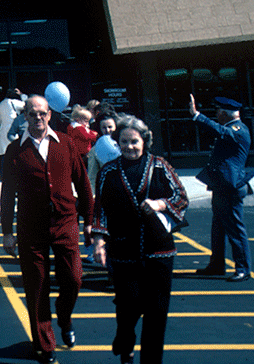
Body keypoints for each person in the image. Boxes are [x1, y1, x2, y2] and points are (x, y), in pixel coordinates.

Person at [0, 95, 94, 363]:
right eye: (32, 114)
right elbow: (7, 194)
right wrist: (7, 231)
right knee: (37, 285)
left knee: (74, 278)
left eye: (42, 113)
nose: (37, 118)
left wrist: (89, 220)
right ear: (25, 117)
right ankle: (45, 343)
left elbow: (83, 183)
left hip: (65, 222)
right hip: (31, 227)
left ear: (50, 114)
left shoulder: (65, 143)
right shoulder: (15, 151)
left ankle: (64, 317)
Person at [92, 116, 188, 364]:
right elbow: (100, 208)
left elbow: (181, 196)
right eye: (124, 142)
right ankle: (125, 341)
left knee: (156, 313)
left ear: (144, 141)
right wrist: (99, 242)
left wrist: (160, 204)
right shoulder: (109, 172)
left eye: (134, 141)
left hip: (159, 252)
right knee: (128, 307)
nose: (129, 147)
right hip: (124, 251)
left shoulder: (160, 166)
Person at [190, 95, 254, 282]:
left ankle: (243, 268)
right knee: (218, 228)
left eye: (218, 111)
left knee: (235, 228)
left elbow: (221, 132)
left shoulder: (238, 129)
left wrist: (197, 116)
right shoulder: (230, 128)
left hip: (230, 187)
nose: (217, 114)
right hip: (221, 186)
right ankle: (216, 265)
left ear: (225, 113)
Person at [0, 88, 25, 161]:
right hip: (13, 131)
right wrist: (21, 95)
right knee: (15, 153)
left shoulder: (0, 104)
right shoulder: (14, 102)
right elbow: (27, 104)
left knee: (4, 155)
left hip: (2, 131)